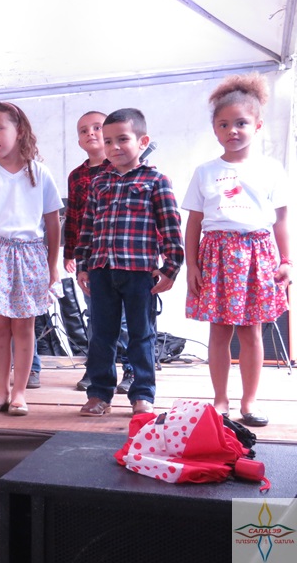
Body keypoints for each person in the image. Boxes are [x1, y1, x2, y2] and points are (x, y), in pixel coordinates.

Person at [183, 73, 290, 427]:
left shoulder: (271, 169)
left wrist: (287, 261)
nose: (232, 130)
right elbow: (194, 223)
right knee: (218, 331)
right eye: (224, 124)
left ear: (257, 125)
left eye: (241, 123)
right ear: (215, 130)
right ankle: (220, 400)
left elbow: (281, 221)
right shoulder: (205, 172)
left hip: (257, 255)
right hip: (216, 255)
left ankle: (249, 401)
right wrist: (192, 266)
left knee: (251, 331)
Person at [75, 108, 183, 417]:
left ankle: (142, 394)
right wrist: (83, 265)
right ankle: (99, 393)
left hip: (139, 272)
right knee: (101, 335)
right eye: (108, 141)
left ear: (142, 141)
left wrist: (171, 268)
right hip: (101, 270)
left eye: (122, 139)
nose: (114, 147)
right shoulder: (99, 182)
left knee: (141, 334)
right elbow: (88, 226)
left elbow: (170, 227)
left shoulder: (156, 181)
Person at [0, 102, 62, 416]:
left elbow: (52, 223)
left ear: (19, 131)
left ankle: (20, 392)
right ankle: (1, 391)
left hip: (30, 254)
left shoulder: (39, 173)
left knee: (24, 327)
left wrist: (52, 265)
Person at [64, 111, 133, 393]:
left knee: (127, 318)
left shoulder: (122, 166)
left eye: (96, 127)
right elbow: (73, 216)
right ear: (79, 140)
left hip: (124, 255)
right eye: (83, 130)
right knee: (96, 315)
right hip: (91, 257)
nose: (90, 133)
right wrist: (70, 253)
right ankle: (97, 370)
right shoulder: (76, 176)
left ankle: (131, 369)